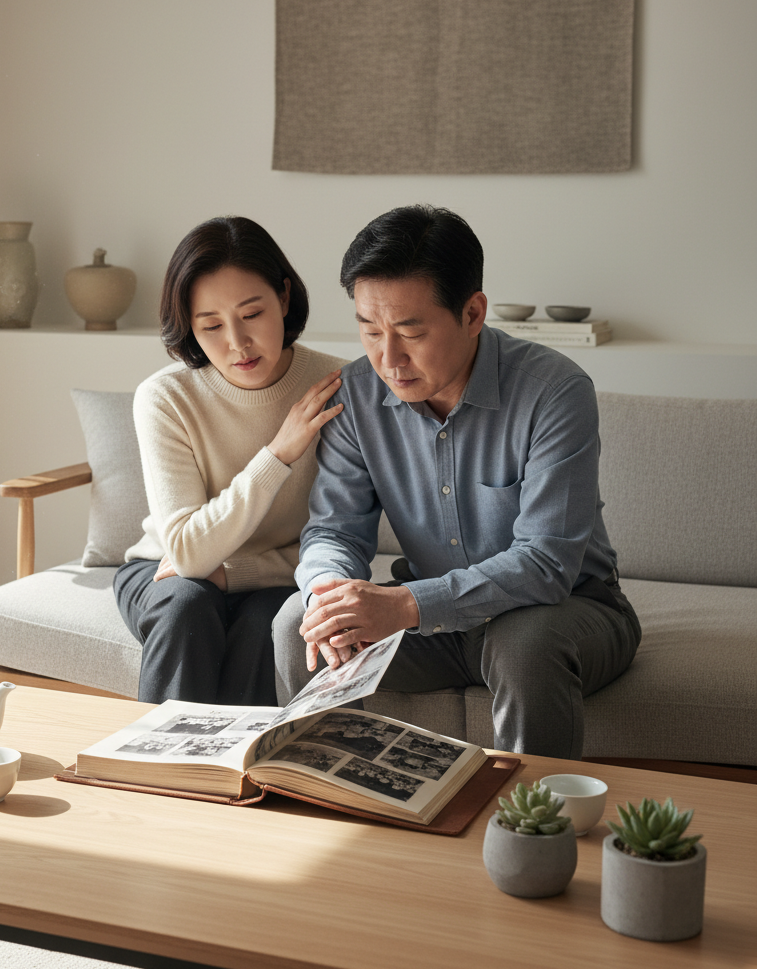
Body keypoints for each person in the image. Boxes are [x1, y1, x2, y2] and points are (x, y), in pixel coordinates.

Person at [273, 204, 641, 759]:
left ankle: (532, 812)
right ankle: (326, 793)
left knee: (523, 645)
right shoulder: (355, 397)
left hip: (565, 611)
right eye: (369, 330)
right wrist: (329, 594)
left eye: (410, 331)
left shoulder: (554, 392)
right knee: (298, 620)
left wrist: (405, 606)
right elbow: (334, 531)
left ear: (473, 313)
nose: (388, 359)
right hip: (433, 626)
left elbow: (546, 564)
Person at [115, 216, 344, 706]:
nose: (237, 343)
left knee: (270, 624)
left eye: (252, 314)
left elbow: (342, 539)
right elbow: (186, 555)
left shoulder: (336, 386)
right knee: (186, 605)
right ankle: (161, 754)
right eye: (212, 326)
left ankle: (244, 756)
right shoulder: (165, 397)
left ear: (284, 297)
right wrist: (279, 454)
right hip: (164, 571)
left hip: (278, 578)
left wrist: (236, 573)